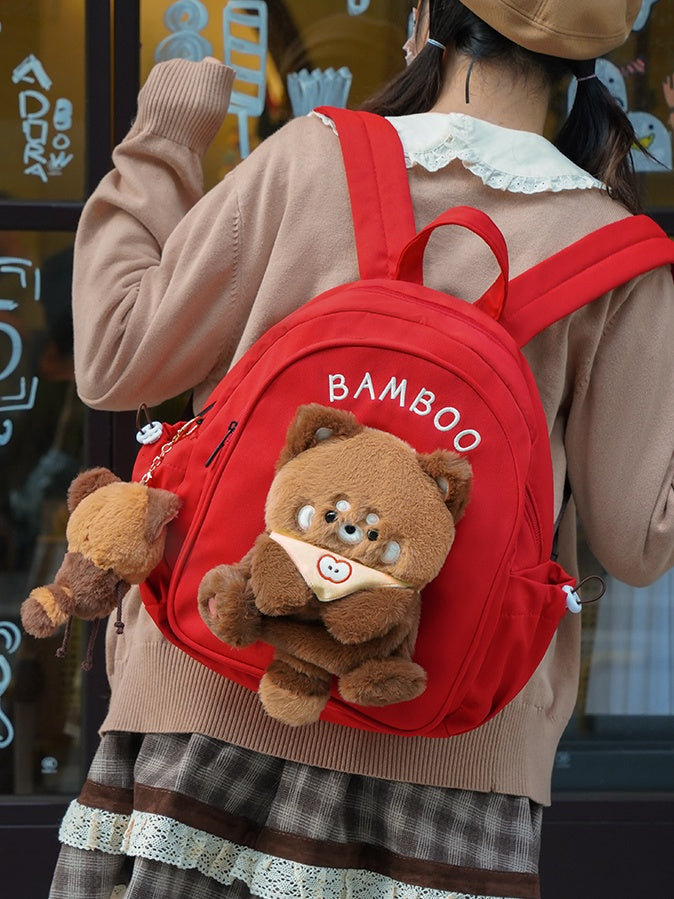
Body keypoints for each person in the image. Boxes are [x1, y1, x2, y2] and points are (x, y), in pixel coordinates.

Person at [49, 1, 674, 897]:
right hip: (450, 743)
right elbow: (637, 539)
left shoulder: (311, 160)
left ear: (427, 18)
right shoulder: (617, 257)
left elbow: (112, 354)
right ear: (597, 63)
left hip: (207, 694)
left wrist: (164, 138)